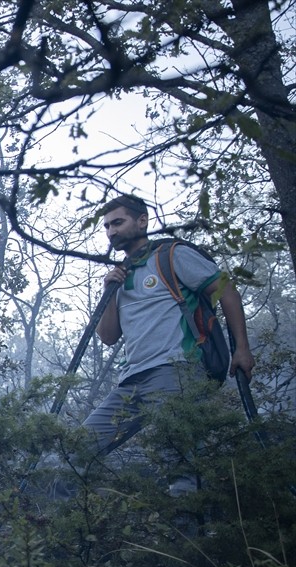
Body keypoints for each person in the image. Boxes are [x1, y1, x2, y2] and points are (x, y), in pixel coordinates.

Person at [82, 194, 255, 494]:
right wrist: (109, 289)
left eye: (118, 223)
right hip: (131, 381)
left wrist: (242, 349)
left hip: (177, 372)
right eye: (107, 227)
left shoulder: (171, 255)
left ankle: (190, 539)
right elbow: (108, 337)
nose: (111, 232)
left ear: (142, 221)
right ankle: (62, 535)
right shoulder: (120, 276)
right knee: (74, 452)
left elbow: (226, 290)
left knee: (179, 466)